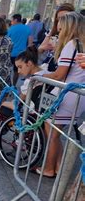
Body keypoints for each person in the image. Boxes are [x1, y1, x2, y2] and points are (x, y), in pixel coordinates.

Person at [38, 12, 85, 178]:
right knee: (56, 134)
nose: (58, 27)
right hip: (77, 95)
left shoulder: (71, 45)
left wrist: (40, 75)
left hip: (67, 95)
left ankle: (49, 168)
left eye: (61, 24)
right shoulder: (80, 44)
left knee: (52, 133)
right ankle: (58, 167)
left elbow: (59, 75)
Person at [38, 3, 75, 71]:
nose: (61, 22)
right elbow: (40, 49)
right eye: (59, 19)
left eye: (65, 18)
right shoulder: (53, 32)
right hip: (49, 65)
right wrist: (45, 47)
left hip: (62, 69)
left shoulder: (75, 38)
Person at [7, 14, 33, 85]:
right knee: (17, 71)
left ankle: (7, 84)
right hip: (22, 54)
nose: (11, 22)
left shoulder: (11, 29)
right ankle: (14, 85)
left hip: (11, 53)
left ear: (15, 20)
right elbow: (30, 42)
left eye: (12, 20)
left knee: (9, 70)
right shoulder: (27, 28)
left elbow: (7, 41)